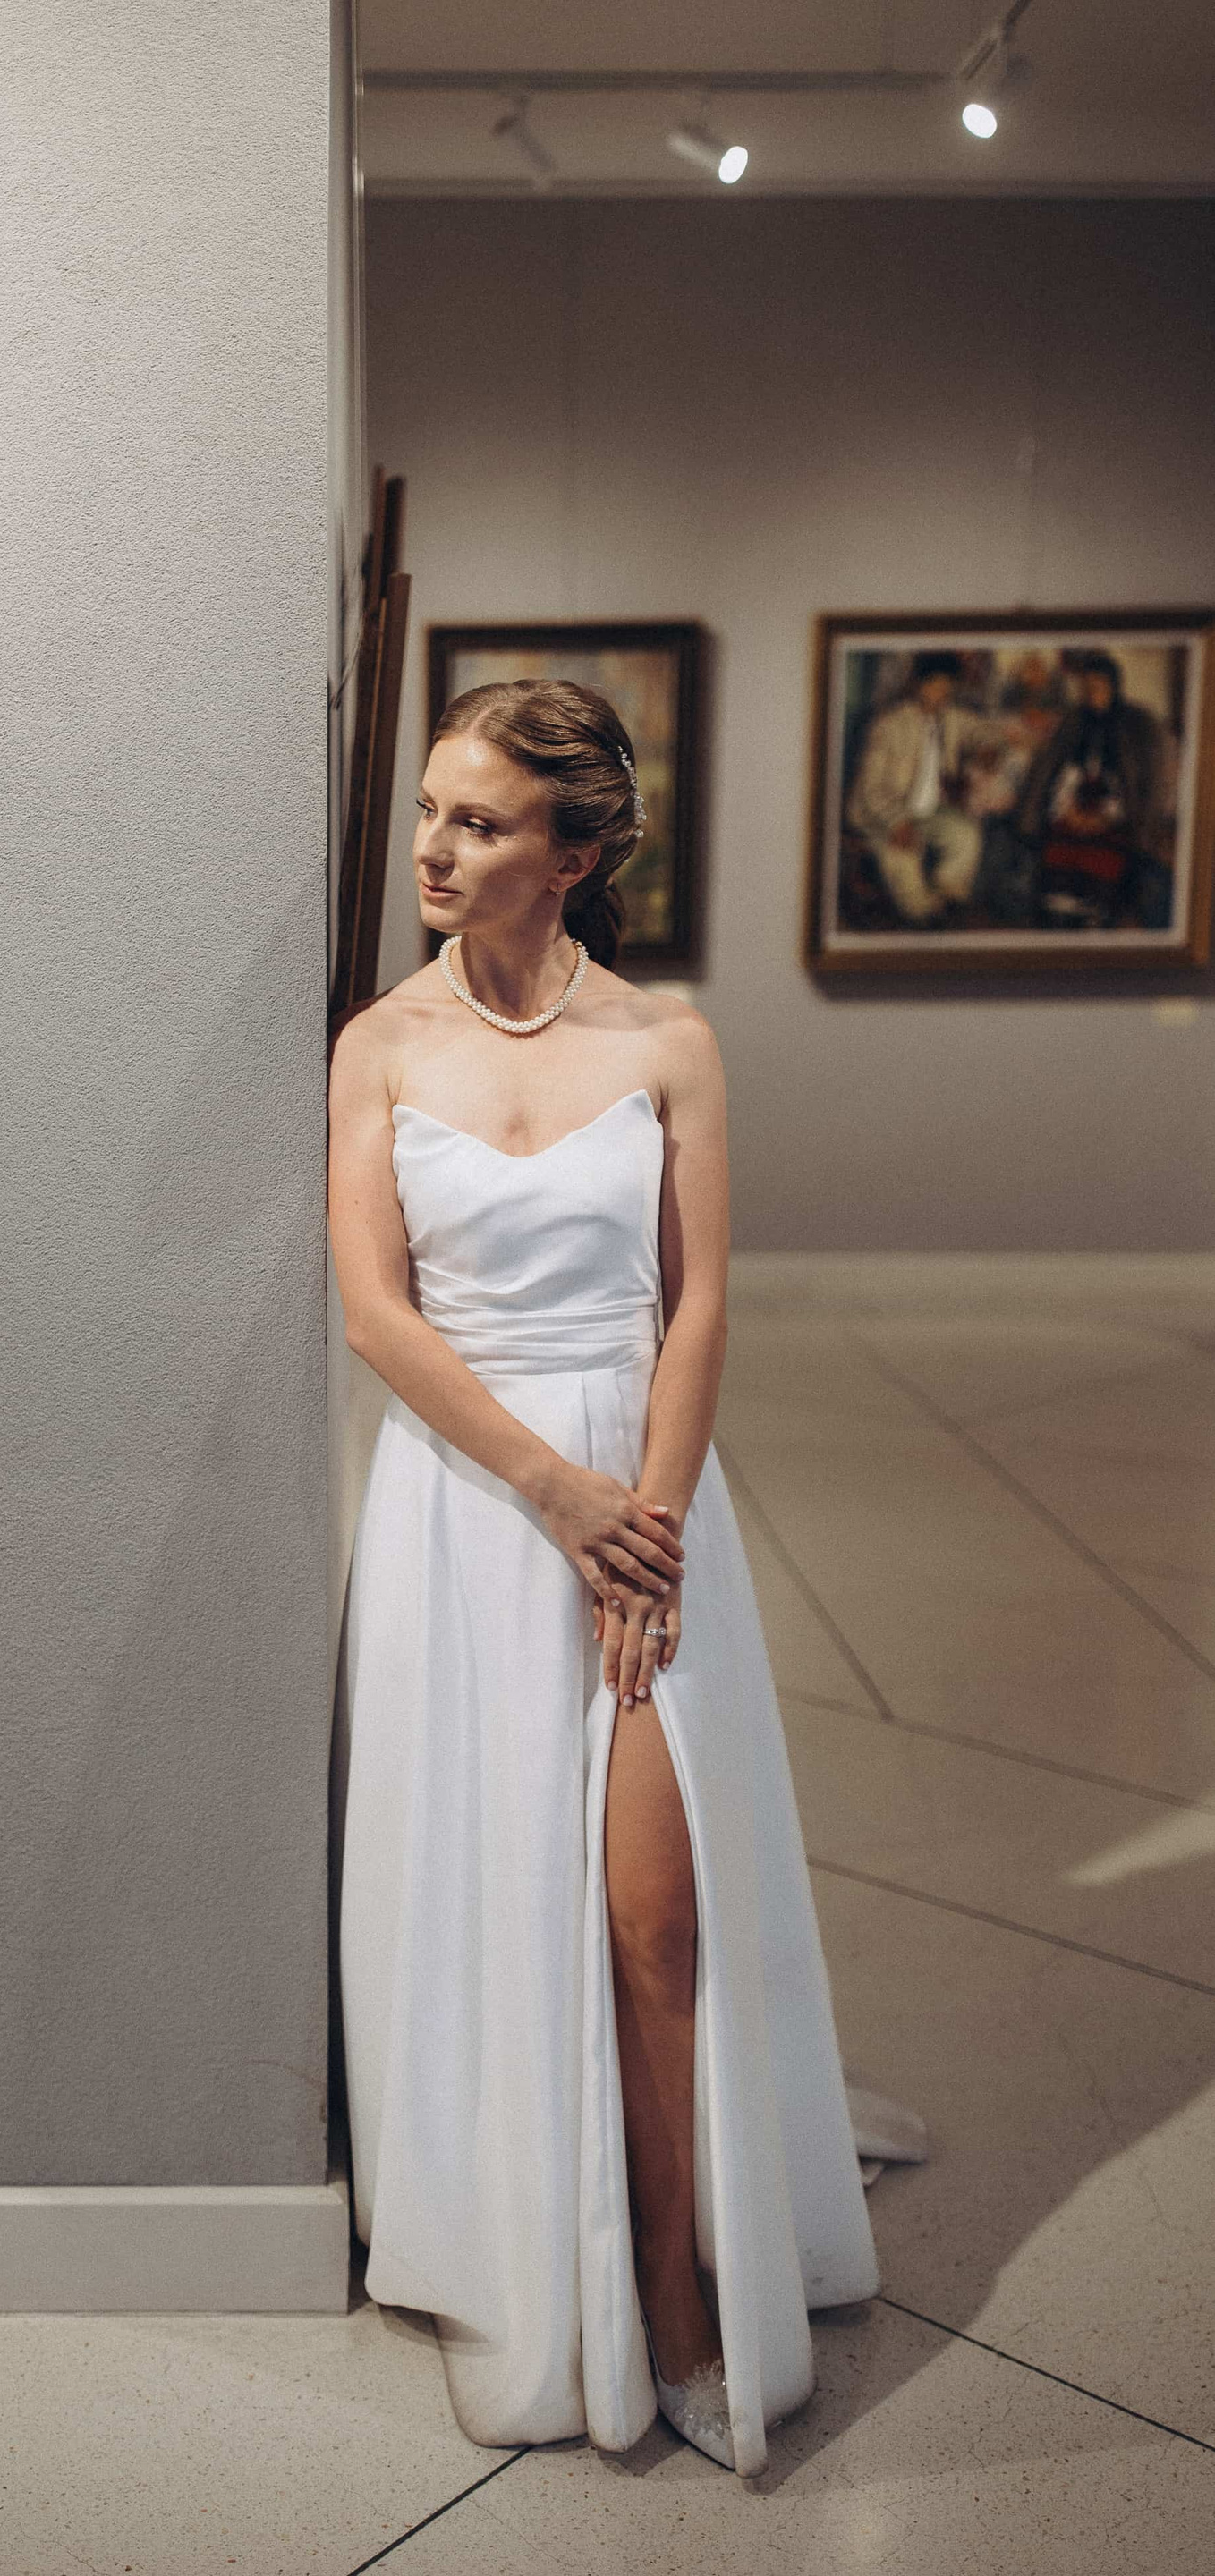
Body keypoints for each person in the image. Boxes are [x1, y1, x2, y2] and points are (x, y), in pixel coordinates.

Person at [330, 681, 905, 2480]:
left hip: (646, 1510)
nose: (434, 849)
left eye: (480, 822)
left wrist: (642, 1524)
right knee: (502, 1884)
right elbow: (377, 1315)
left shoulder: (669, 1044)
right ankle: (540, 2245)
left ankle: (672, 2283)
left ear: (574, 854)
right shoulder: (378, 1045)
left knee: (658, 1917)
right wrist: (553, 1496)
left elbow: (699, 1299)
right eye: (432, 811)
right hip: (472, 1506)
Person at [1015, 649, 1172, 929]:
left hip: (1116, 815)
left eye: (1098, 687)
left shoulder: (1135, 725)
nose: (1092, 694)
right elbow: (1055, 773)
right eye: (1087, 688)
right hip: (1073, 806)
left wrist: (1105, 818)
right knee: (1060, 843)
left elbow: (1136, 788)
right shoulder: (1073, 722)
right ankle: (1059, 914)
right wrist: (1068, 811)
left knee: (1102, 853)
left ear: (1113, 687)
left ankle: (1096, 915)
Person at [845, 650, 993, 924]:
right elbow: (869, 790)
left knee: (967, 834)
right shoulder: (889, 725)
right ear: (918, 684)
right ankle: (922, 915)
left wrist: (987, 747)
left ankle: (947, 895)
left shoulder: (951, 717)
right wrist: (897, 821)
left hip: (928, 811)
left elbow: (982, 731)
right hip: (880, 814)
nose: (942, 694)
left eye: (947, 688)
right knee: (904, 854)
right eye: (935, 686)